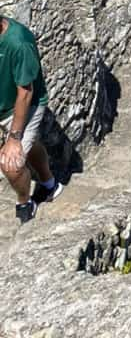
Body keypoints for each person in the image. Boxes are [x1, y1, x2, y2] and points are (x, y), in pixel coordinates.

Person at [0, 15, 62, 225]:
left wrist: (14, 138)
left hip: (24, 104)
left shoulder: (19, 42)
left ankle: (25, 202)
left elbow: (25, 93)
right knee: (30, 146)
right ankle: (50, 184)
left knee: (12, 163)